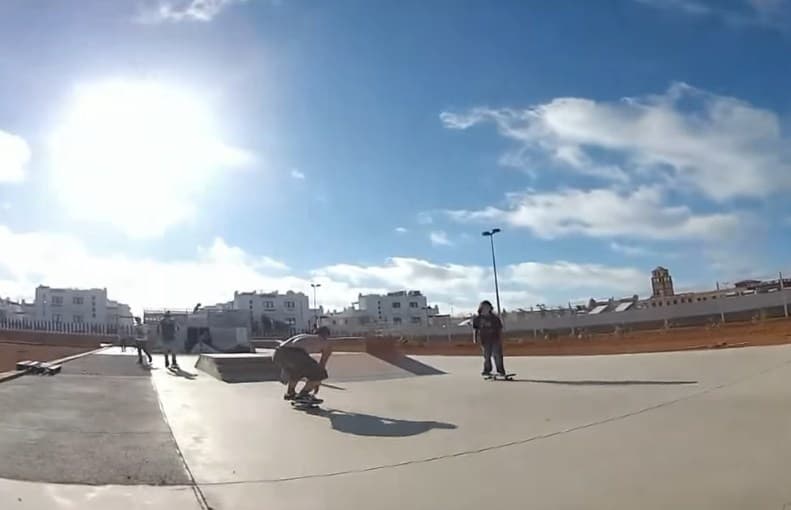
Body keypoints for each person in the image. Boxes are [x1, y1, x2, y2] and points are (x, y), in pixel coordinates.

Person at [273, 326, 333, 403]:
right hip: (295, 354)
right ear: (327, 335)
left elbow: (287, 348)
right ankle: (303, 395)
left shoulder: (304, 336)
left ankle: (290, 392)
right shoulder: (325, 343)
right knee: (320, 373)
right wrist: (317, 381)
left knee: (298, 370)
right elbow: (322, 364)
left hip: (277, 354)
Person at [472, 300, 506, 376]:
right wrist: (475, 338)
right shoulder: (477, 319)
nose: (486, 309)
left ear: (490, 308)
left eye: (487, 307)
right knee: (486, 356)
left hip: (495, 339)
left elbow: (499, 328)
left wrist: (500, 338)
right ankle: (487, 370)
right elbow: (475, 329)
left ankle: (500, 370)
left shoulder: (494, 318)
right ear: (481, 308)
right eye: (484, 307)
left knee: (497, 355)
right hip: (484, 340)